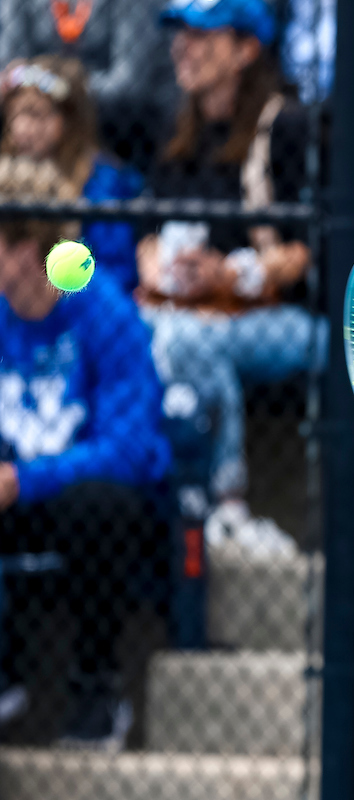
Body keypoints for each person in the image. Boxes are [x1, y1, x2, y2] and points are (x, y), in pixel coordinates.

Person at [136, 0, 324, 553]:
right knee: (141, 327)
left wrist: (231, 274)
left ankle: (226, 505)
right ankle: (165, 502)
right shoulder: (178, 128)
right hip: (190, 312)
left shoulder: (286, 125)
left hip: (296, 321)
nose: (182, 47)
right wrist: (157, 269)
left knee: (186, 340)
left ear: (246, 49)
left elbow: (319, 249)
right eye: (179, 34)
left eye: (202, 34)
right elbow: (146, 229)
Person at [0, 173, 171, 749]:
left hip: (89, 499)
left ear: (24, 251)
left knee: (100, 507)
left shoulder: (104, 313)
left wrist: (25, 480)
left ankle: (96, 686)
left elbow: (127, 451)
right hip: (14, 491)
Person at [0, 55, 143, 293]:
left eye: (37, 115)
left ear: (68, 120)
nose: (22, 128)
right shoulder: (7, 171)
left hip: (82, 303)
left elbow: (118, 271)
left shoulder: (102, 183)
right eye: (16, 115)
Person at [0, 0, 176, 169]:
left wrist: (63, 87)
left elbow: (127, 83)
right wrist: (51, 88)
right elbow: (12, 70)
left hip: (117, 128)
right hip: (40, 99)